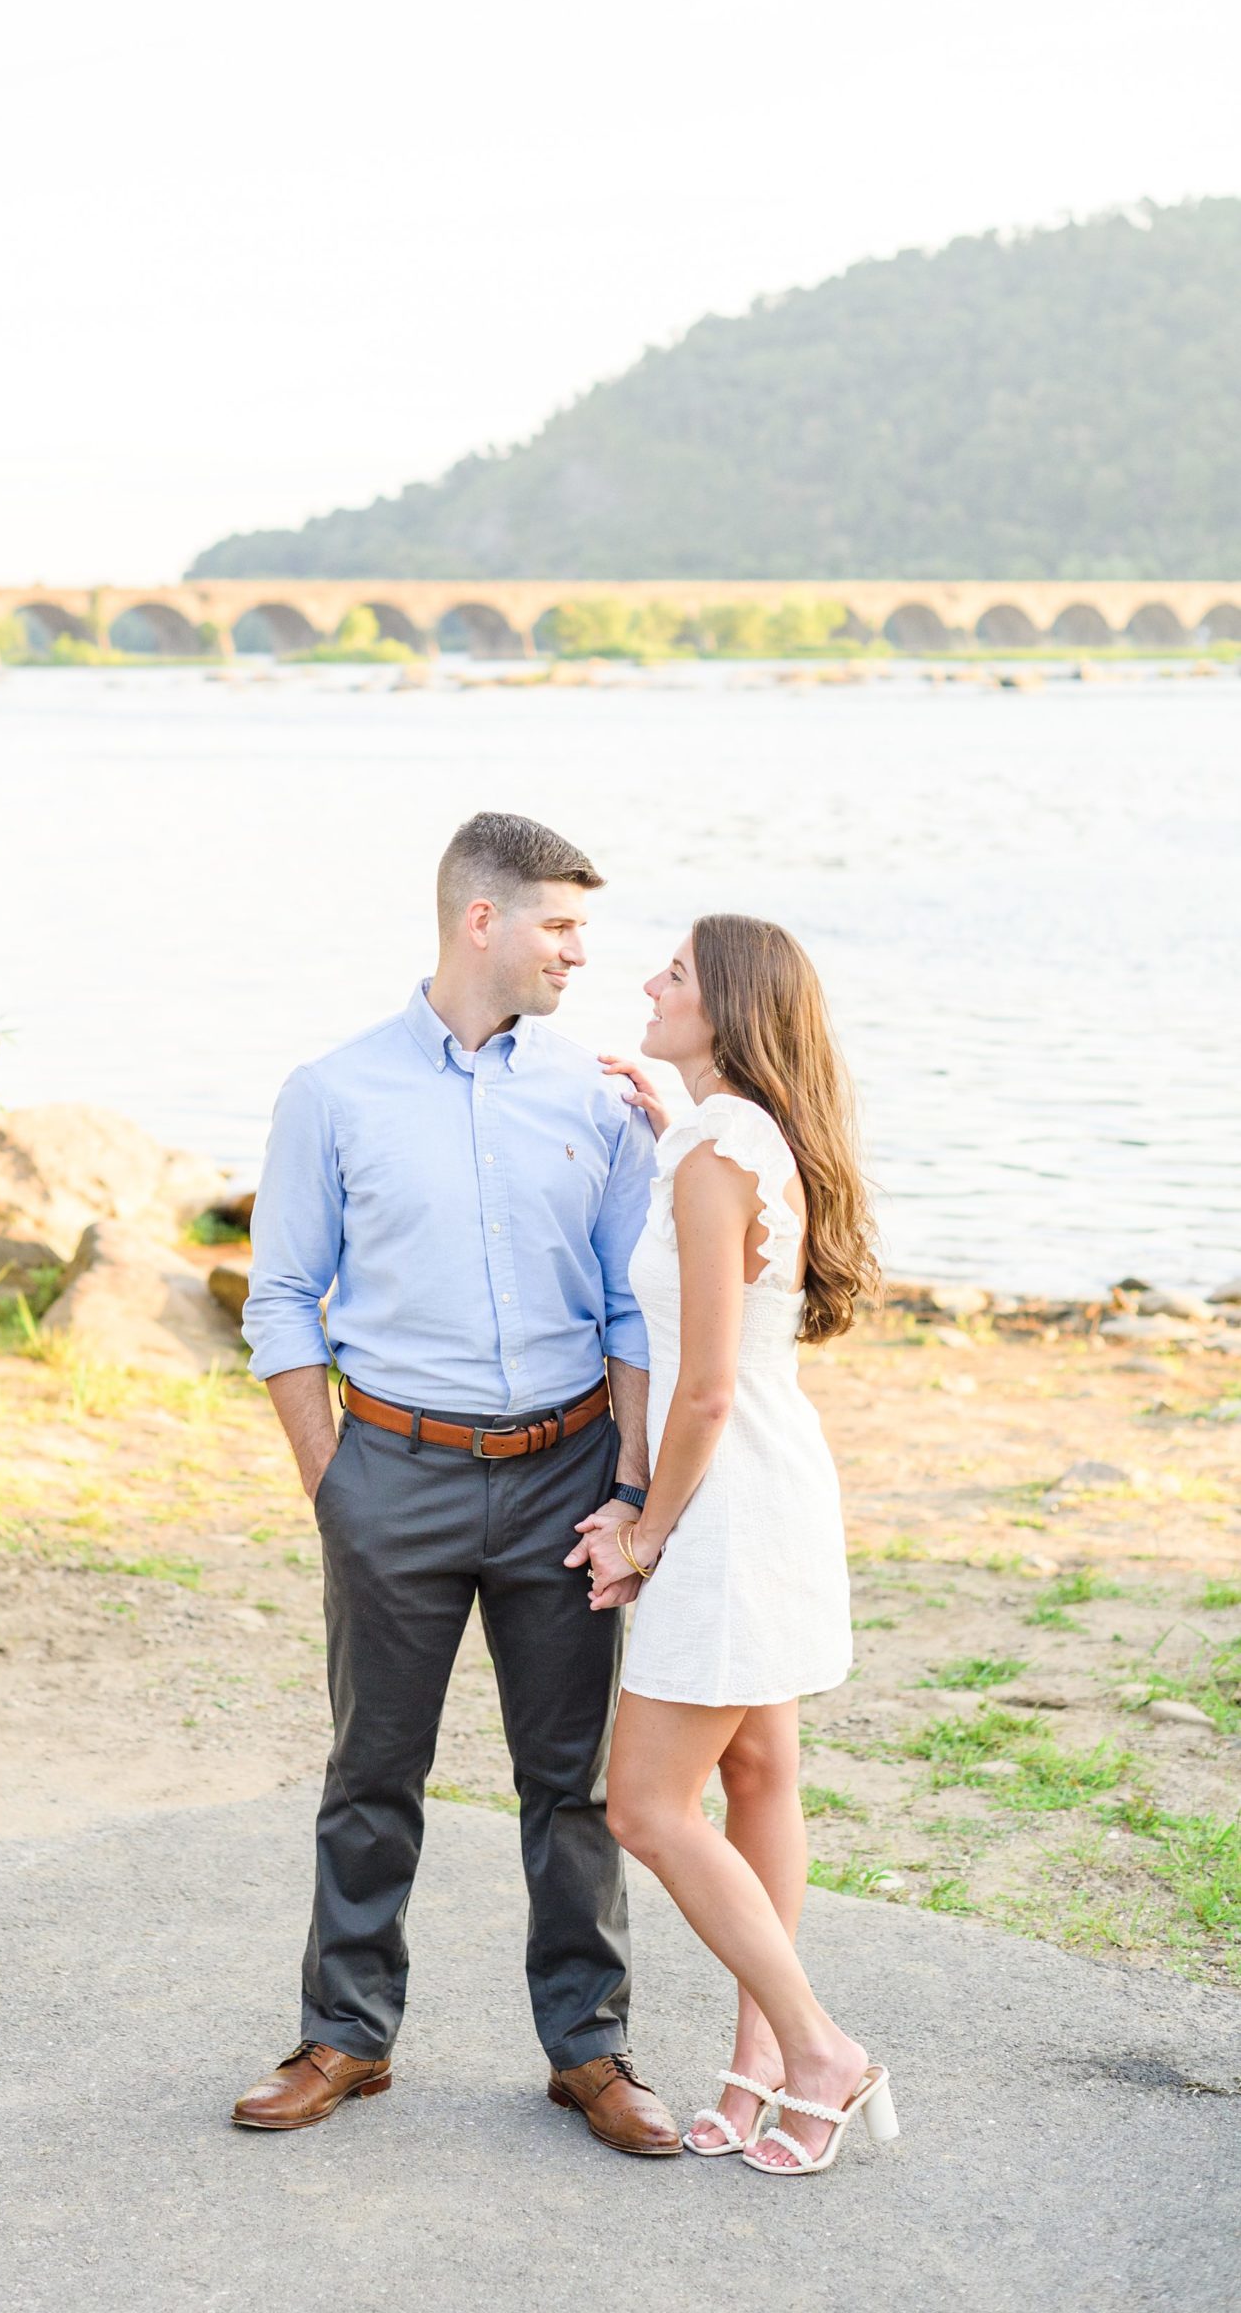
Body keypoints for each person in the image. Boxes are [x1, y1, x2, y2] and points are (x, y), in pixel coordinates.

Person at [232, 812, 681, 2156]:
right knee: (372, 1770)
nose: (579, 954)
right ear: (478, 920)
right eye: (557, 925)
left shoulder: (597, 1098)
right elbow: (280, 1301)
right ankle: (344, 2039)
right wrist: (336, 1483)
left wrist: (630, 1486)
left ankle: (588, 2053)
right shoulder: (333, 1091)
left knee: (573, 1783)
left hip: (561, 1481)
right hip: (393, 1475)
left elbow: (627, 1312)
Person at [567, 913, 900, 2178]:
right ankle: (760, 2062)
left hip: (727, 1499)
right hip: (772, 1478)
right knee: (758, 1774)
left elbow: (700, 1383)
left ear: (729, 1011)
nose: (648, 983)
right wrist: (669, 1130)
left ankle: (815, 2048)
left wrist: (641, 1528)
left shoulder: (719, 1147)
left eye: (676, 974)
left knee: (647, 1804)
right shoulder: (728, 1137)